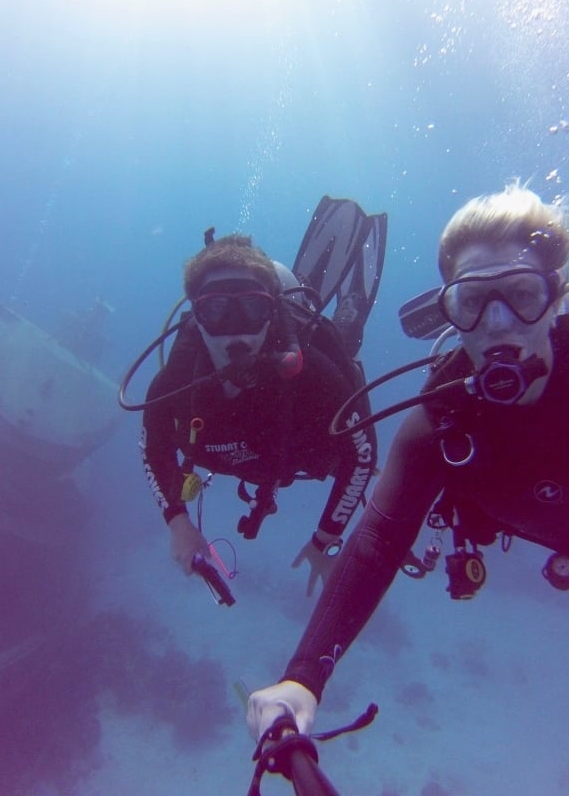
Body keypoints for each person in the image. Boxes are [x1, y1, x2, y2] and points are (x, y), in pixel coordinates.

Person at [246, 182, 569, 740]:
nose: (497, 322)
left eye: (522, 294)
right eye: (472, 302)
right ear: (449, 309)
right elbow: (379, 541)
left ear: (554, 297)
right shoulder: (443, 413)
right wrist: (301, 681)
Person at [140, 198, 385, 596]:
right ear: (197, 317)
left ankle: (342, 305)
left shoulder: (316, 375)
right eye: (217, 310)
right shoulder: (175, 382)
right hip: (269, 452)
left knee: (344, 337)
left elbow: (361, 454)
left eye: (252, 310)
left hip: (300, 430)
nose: (235, 331)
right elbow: (153, 449)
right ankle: (291, 293)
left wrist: (325, 540)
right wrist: (178, 524)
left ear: (270, 315)